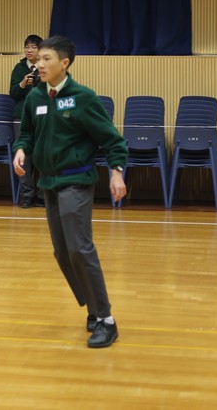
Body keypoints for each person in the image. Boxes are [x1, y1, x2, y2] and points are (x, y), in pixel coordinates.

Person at [12, 35, 127, 349]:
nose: (39, 64)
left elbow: (113, 139)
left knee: (80, 248)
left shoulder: (82, 97)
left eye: (46, 58)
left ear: (64, 63)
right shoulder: (35, 97)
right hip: (47, 183)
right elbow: (27, 134)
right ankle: (93, 307)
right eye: (38, 59)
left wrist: (117, 172)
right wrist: (21, 150)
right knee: (63, 253)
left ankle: (106, 320)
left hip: (76, 180)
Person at [10, 34, 44, 208]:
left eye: (33, 47)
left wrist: (39, 82)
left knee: (42, 155)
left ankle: (42, 195)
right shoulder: (19, 68)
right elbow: (13, 94)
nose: (29, 50)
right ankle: (26, 195)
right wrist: (23, 83)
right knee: (23, 156)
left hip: (42, 118)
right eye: (27, 47)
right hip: (21, 118)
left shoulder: (46, 66)